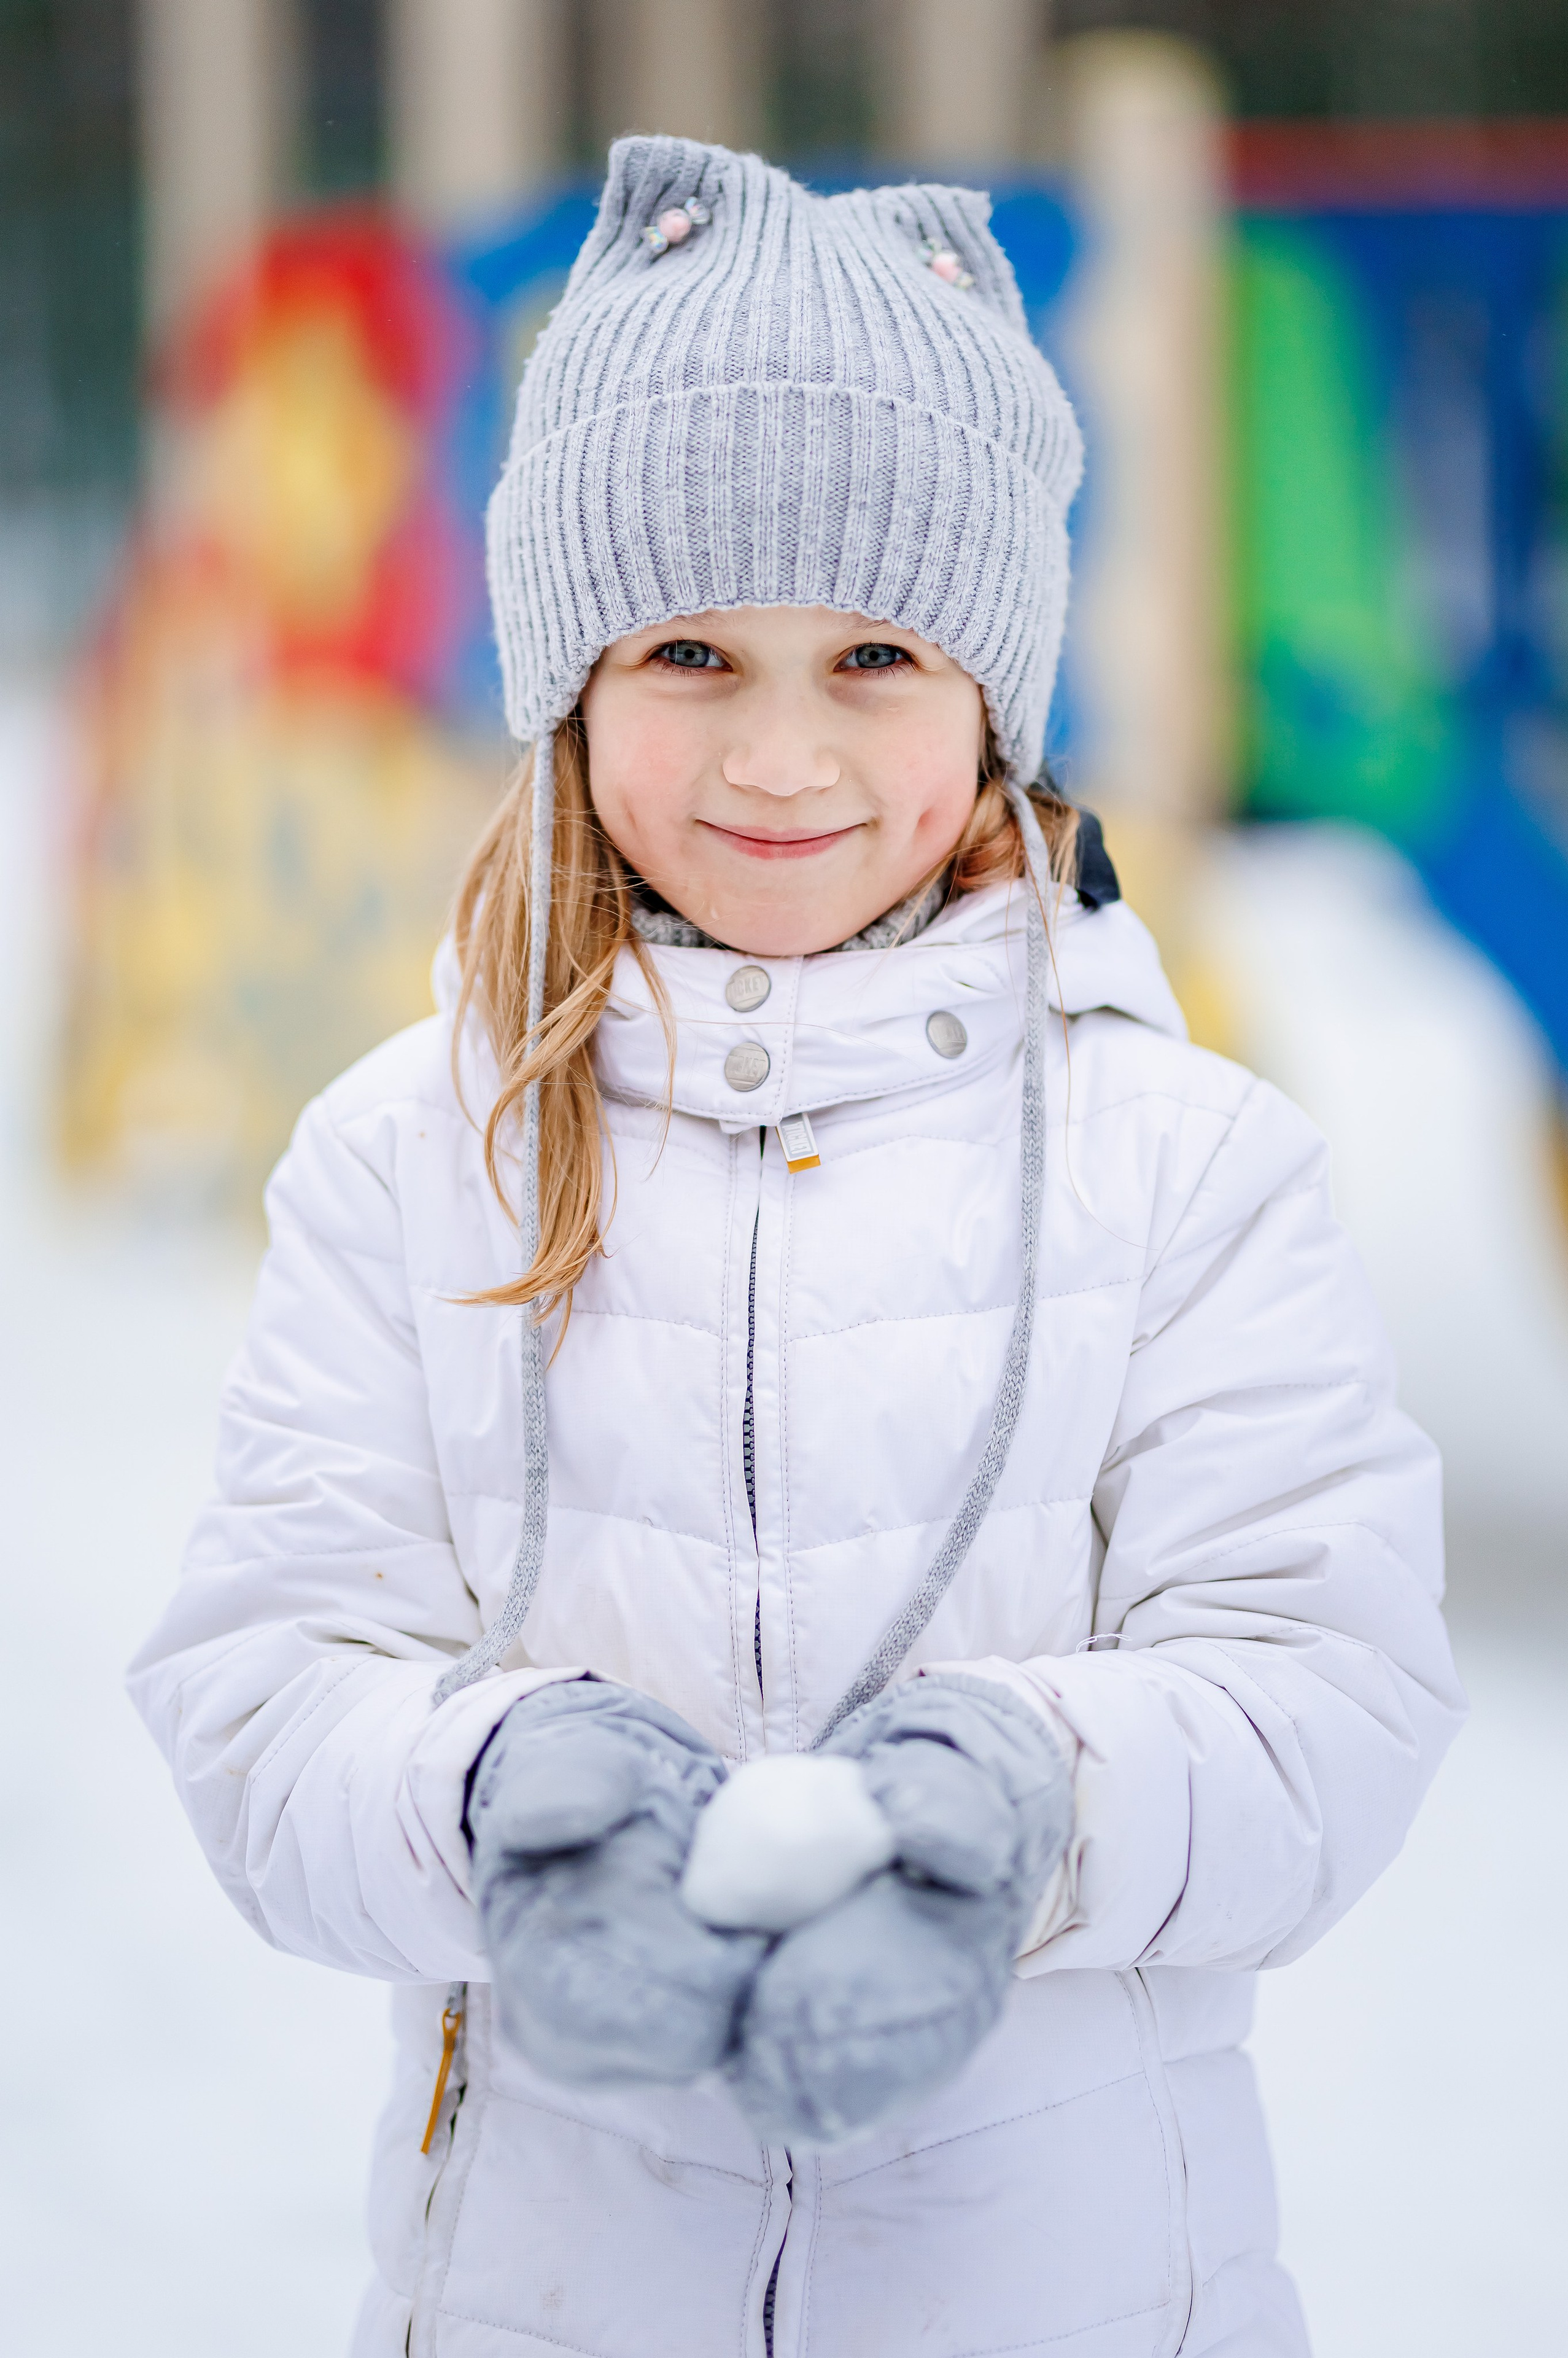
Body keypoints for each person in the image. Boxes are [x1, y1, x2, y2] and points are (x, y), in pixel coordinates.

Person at [130, 138, 1465, 2358]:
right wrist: (494, 1795)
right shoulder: (407, 1157)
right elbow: (266, 1687)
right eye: (686, 649)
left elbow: (1331, 1686)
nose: (779, 753)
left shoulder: (1186, 1167)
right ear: (569, 676)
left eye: (872, 652)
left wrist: (1028, 1802)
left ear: (993, 690)